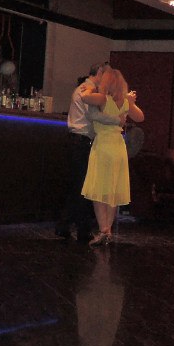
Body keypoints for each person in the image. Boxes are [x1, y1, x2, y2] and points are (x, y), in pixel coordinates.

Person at [56, 62, 120, 243]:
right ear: (99, 72)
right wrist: (117, 120)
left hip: (79, 142)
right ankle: (82, 230)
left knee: (79, 187)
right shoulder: (86, 91)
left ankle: (64, 226)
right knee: (84, 188)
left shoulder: (86, 89)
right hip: (80, 142)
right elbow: (94, 116)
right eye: (106, 75)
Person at [80, 68, 144, 245]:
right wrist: (130, 102)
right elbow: (140, 117)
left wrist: (89, 88)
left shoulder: (104, 99)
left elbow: (85, 97)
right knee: (112, 190)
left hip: (103, 146)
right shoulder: (125, 102)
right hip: (118, 146)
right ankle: (107, 230)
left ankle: (103, 230)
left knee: (98, 189)